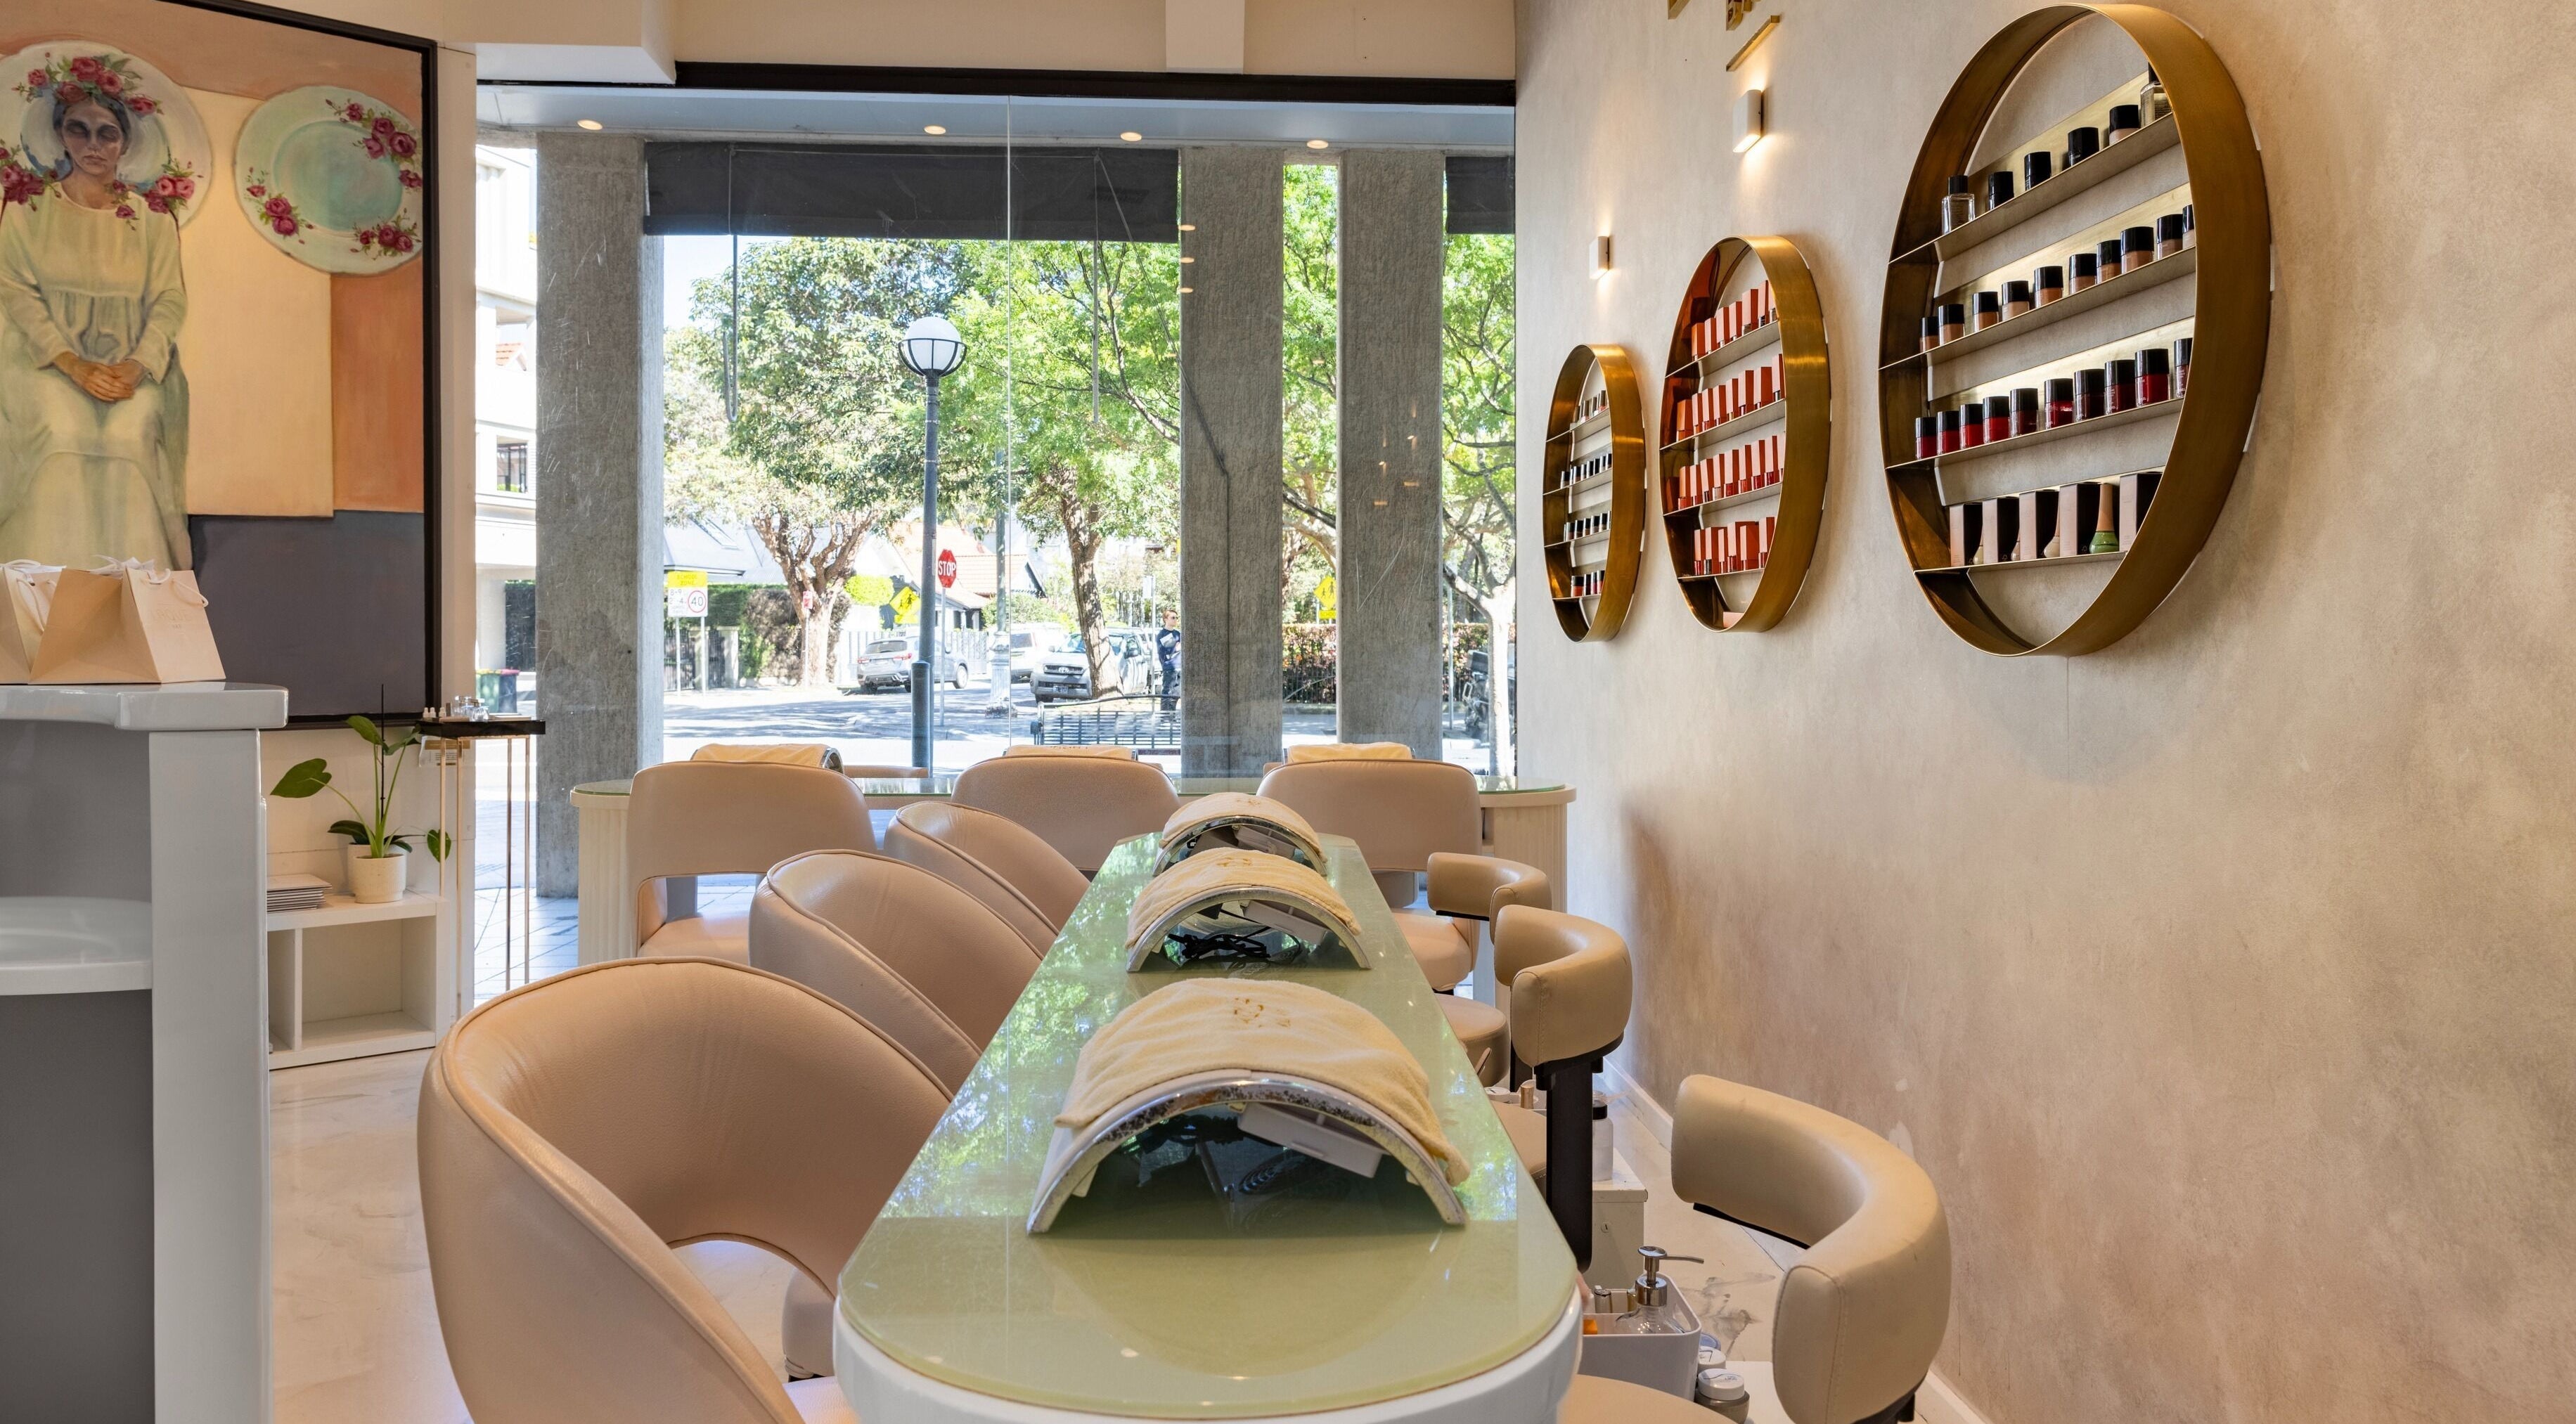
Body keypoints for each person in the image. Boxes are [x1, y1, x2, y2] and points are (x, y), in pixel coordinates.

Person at [0, 74, 190, 569]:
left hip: (130, 366)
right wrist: (71, 364)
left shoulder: (152, 220)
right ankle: (38, 605)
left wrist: (136, 366)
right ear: (61, 134)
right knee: (62, 430)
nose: (93, 145)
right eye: (79, 129)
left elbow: (169, 300)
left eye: (107, 132)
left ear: (125, 142)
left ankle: (128, 606)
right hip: (42, 362)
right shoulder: (28, 211)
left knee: (130, 436)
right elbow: (14, 291)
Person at [1154, 609, 1180, 711]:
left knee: (1176, 694)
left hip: (1179, 667)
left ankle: (1171, 715)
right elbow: (1171, 650)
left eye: (1176, 618)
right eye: (1173, 618)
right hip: (1170, 668)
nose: (1175, 620)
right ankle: (1165, 717)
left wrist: (1177, 647)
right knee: (1168, 693)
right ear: (1166, 619)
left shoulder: (1178, 634)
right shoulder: (1162, 634)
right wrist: (1176, 648)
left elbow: (1180, 647)